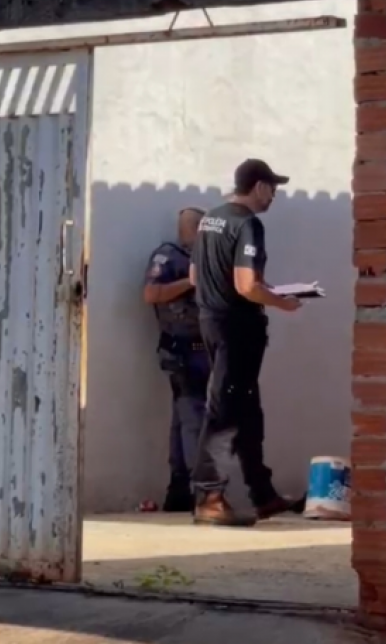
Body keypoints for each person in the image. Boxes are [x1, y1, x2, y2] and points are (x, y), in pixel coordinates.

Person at [189, 159, 302, 526]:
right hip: (237, 328)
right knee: (223, 409)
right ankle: (209, 497)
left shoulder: (210, 219)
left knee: (247, 409)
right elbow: (246, 286)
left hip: (212, 321)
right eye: (273, 189)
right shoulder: (248, 224)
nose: (274, 196)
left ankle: (263, 494)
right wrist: (282, 302)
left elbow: (195, 276)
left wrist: (259, 290)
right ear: (259, 186)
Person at [143, 207, 209, 513]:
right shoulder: (167, 257)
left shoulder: (206, 260)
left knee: (183, 419)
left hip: (205, 350)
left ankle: (179, 489)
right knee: (193, 418)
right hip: (180, 351)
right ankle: (203, 492)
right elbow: (151, 294)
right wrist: (190, 282)